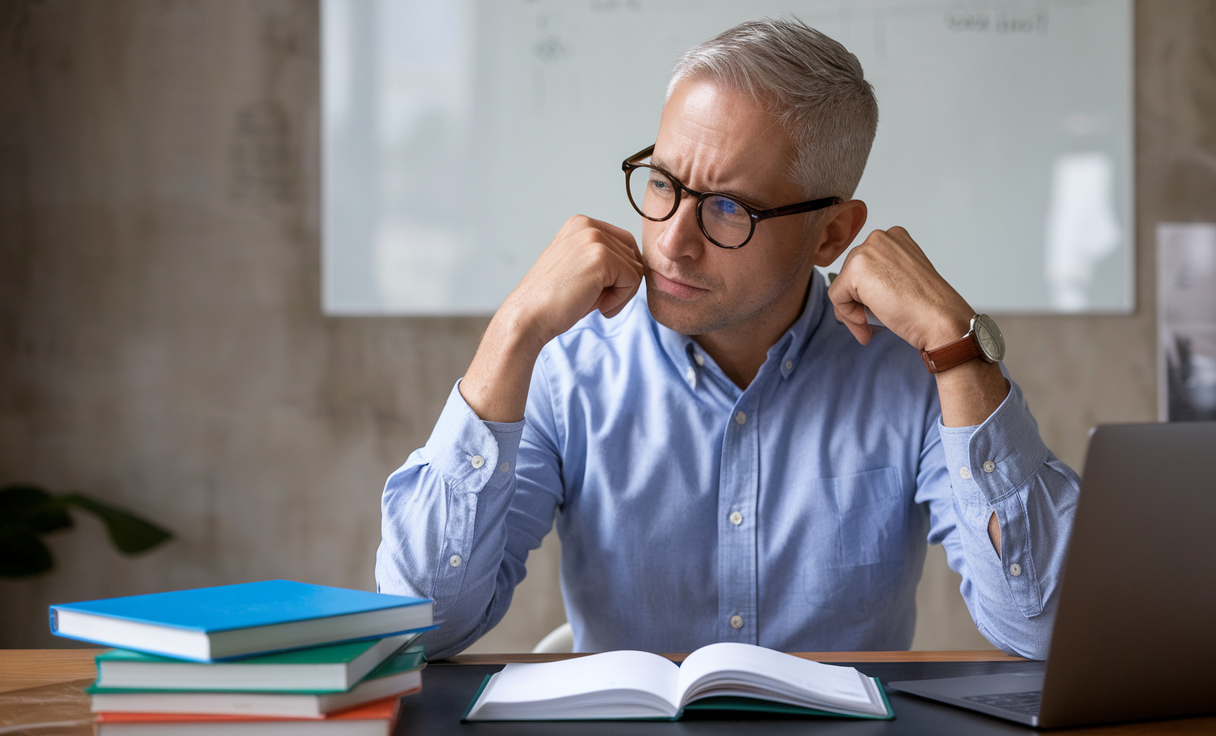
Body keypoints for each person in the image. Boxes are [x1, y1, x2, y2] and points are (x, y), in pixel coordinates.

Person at [376, 17, 1079, 661]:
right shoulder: (569, 365)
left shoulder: (916, 374)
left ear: (831, 232)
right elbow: (420, 625)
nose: (672, 243)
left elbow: (1043, 628)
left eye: (726, 208)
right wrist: (514, 330)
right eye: (662, 184)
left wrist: (955, 346)